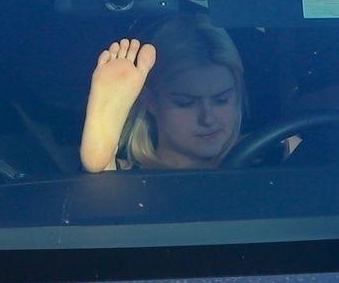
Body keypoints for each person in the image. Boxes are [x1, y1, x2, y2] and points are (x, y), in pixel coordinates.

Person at [81, 14, 245, 172]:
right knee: (110, 186)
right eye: (186, 103)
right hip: (131, 190)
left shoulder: (264, 164)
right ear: (150, 101)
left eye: (221, 100)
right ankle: (105, 167)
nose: (208, 119)